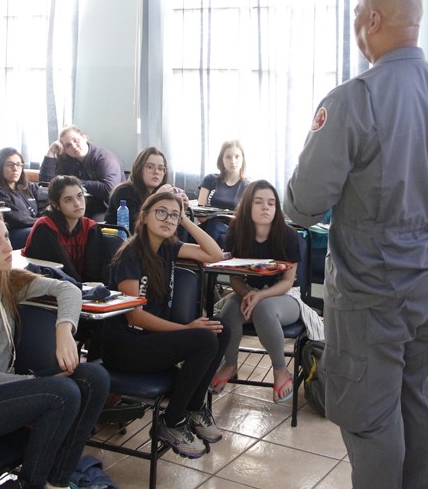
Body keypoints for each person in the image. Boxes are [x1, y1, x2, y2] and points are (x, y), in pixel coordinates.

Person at [284, 0, 428, 489]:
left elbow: (303, 205)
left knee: (369, 415)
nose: (354, 23)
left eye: (356, 14)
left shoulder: (354, 99)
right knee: (417, 397)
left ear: (373, 20)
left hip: (372, 288)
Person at [0, 209, 110, 489]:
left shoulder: (4, 280)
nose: (7, 247)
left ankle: (56, 482)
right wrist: (33, 382)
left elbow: (69, 290)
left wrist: (64, 330)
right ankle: (30, 484)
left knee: (95, 378)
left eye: (6, 237)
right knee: (62, 392)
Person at [103, 191, 229, 459]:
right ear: (144, 217)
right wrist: (187, 329)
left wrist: (185, 220)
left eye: (174, 216)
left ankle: (194, 407)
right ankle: (172, 421)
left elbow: (214, 254)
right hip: (125, 347)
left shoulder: (169, 248)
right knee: (204, 337)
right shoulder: (130, 254)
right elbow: (134, 317)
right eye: (161, 212)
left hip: (151, 342)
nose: (168, 219)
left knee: (221, 329)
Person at [212, 180, 322, 403]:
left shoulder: (288, 236)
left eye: (271, 203)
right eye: (259, 202)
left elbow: (288, 282)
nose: (266, 207)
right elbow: (235, 278)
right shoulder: (235, 233)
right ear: (247, 206)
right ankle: (230, 363)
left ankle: (280, 369)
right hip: (248, 290)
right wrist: (247, 294)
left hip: (285, 296)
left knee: (263, 308)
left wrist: (259, 296)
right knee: (229, 312)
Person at [23, 176, 111, 283]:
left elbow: (95, 272)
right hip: (49, 287)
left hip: (81, 288)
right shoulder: (44, 227)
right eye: (68, 200)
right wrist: (81, 288)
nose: (77, 203)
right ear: (56, 205)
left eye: (80, 196)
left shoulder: (91, 227)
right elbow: (59, 272)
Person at [40, 126, 123, 219]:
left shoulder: (105, 158)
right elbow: (46, 184)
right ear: (65, 150)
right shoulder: (67, 161)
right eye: (68, 145)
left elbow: (109, 189)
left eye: (75, 140)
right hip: (77, 207)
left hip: (106, 209)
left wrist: (75, 183)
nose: (74, 146)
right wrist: (51, 152)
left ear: (84, 137)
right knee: (50, 217)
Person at [104, 147, 181, 232]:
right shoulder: (123, 191)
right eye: (150, 167)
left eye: (160, 168)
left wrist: (181, 208)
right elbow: (136, 228)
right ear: (139, 169)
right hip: (125, 239)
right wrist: (156, 199)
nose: (156, 172)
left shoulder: (163, 192)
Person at [0, 147, 46, 249]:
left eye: (18, 164)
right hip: (12, 233)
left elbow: (46, 205)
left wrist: (45, 220)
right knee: (42, 232)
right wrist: (41, 222)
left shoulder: (30, 187)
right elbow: (14, 217)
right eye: (9, 164)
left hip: (36, 226)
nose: (15, 168)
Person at [197, 140, 249, 210]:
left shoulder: (248, 187)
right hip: (209, 217)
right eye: (228, 157)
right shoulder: (209, 179)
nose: (233, 161)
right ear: (222, 159)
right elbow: (200, 212)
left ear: (243, 158)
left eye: (237, 156)